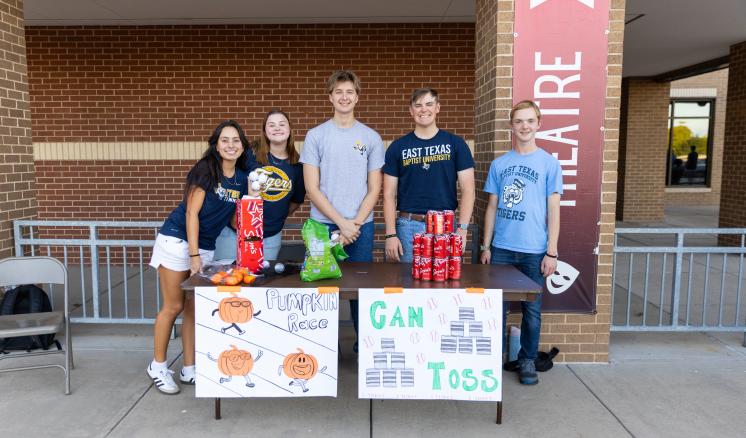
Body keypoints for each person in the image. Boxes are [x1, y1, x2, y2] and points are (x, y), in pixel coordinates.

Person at [147, 120, 250, 394]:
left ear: (242, 145)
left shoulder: (241, 178)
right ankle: (157, 365)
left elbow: (230, 218)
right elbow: (192, 213)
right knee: (173, 306)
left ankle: (189, 368)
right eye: (225, 140)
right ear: (216, 144)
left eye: (236, 140)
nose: (231, 145)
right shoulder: (206, 169)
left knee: (193, 309)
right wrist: (194, 255)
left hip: (205, 245)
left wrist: (253, 221)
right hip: (178, 241)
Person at [480, 100, 562, 386]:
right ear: (511, 126)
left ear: (539, 123)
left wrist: (552, 251)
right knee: (495, 309)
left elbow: (554, 209)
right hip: (501, 248)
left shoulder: (549, 163)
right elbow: (491, 206)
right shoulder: (499, 164)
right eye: (519, 121)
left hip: (534, 249)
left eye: (530, 121)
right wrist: (486, 246)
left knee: (532, 310)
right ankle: (491, 358)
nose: (524, 126)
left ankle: (527, 359)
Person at [300, 70, 384, 347]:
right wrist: (341, 224)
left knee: (361, 291)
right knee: (321, 290)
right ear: (330, 97)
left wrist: (354, 224)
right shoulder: (315, 136)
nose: (344, 97)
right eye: (339, 92)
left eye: (349, 92)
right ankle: (318, 348)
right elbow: (312, 188)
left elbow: (374, 188)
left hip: (362, 226)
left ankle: (365, 346)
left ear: (357, 97)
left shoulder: (371, 137)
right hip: (322, 227)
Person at [383, 88, 475, 262]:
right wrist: (390, 235)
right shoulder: (397, 147)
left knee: (446, 284)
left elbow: (468, 190)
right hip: (408, 226)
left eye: (429, 104)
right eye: (418, 105)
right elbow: (388, 194)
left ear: (438, 108)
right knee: (409, 284)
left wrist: (462, 229)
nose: (423, 109)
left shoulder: (456, 144)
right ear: (411, 111)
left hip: (446, 225)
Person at [213, 109, 305, 261]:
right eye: (271, 125)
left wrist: (275, 217)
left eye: (282, 124)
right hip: (233, 232)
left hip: (269, 236)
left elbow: (296, 200)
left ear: (290, 130)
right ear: (264, 131)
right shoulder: (250, 155)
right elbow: (229, 182)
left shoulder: (297, 166)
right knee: (226, 278)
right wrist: (233, 216)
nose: (277, 128)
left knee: (260, 281)